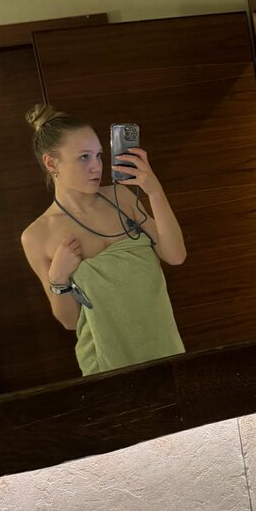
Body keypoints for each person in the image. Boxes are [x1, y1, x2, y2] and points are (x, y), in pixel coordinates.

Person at [20, 104, 187, 376]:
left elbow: (175, 255)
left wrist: (155, 191)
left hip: (163, 348)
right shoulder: (38, 236)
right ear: (51, 163)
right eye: (83, 157)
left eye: (98, 155)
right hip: (107, 364)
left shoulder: (122, 198)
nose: (96, 166)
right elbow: (70, 321)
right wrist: (58, 278)